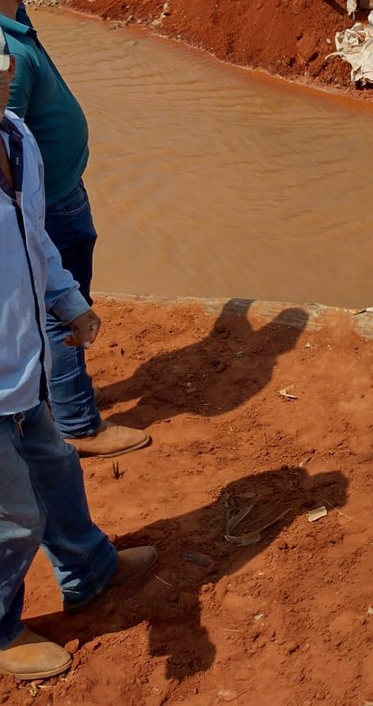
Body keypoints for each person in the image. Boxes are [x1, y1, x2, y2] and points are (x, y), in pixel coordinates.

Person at [0, 37, 157, 683]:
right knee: (13, 518)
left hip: (24, 362)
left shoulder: (16, 139)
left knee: (57, 468)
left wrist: (69, 301)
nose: (4, 80)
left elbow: (34, 236)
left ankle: (88, 569)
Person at [0, 0, 148, 459]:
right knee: (61, 308)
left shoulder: (9, 15)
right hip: (48, 205)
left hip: (56, 193)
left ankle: (48, 401)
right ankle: (77, 424)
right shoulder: (5, 52)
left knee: (57, 305)